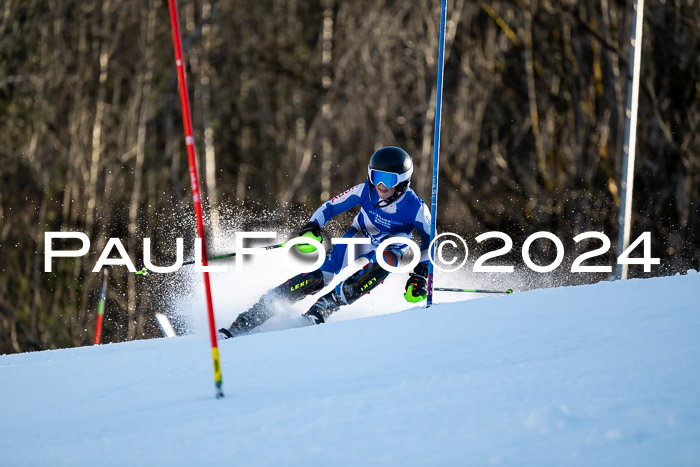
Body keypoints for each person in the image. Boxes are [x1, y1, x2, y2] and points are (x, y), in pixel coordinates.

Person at [218, 146, 432, 338]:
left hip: (393, 246)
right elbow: (330, 207)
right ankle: (254, 314)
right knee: (321, 275)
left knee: (386, 260)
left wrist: (421, 273)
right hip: (361, 235)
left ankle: (325, 306)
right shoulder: (364, 191)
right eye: (376, 177)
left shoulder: (416, 207)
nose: (381, 185)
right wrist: (312, 226)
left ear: (403, 182)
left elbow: (429, 239)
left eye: (389, 180)